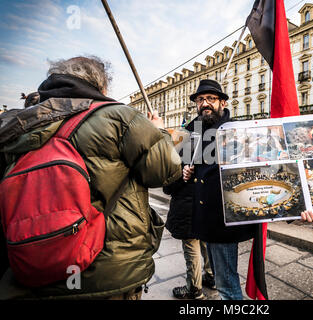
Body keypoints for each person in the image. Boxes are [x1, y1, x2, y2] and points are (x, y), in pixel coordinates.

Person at [0, 56, 182, 299]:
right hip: (109, 266)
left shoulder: (18, 123)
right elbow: (166, 170)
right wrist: (159, 131)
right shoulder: (118, 116)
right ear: (101, 86)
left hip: (32, 265)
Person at [182, 79, 313, 300]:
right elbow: (190, 167)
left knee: (226, 285)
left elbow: (268, 170)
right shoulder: (194, 132)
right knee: (220, 278)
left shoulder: (238, 131)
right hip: (202, 218)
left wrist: (299, 206)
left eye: (211, 98)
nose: (205, 103)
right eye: (200, 99)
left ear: (223, 103)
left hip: (222, 220)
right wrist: (186, 172)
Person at [163, 138, 215, 300]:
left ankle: (194, 289)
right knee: (205, 242)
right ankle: (212, 277)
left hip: (186, 208)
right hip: (206, 206)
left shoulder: (181, 149)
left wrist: (181, 178)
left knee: (191, 246)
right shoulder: (211, 147)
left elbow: (168, 186)